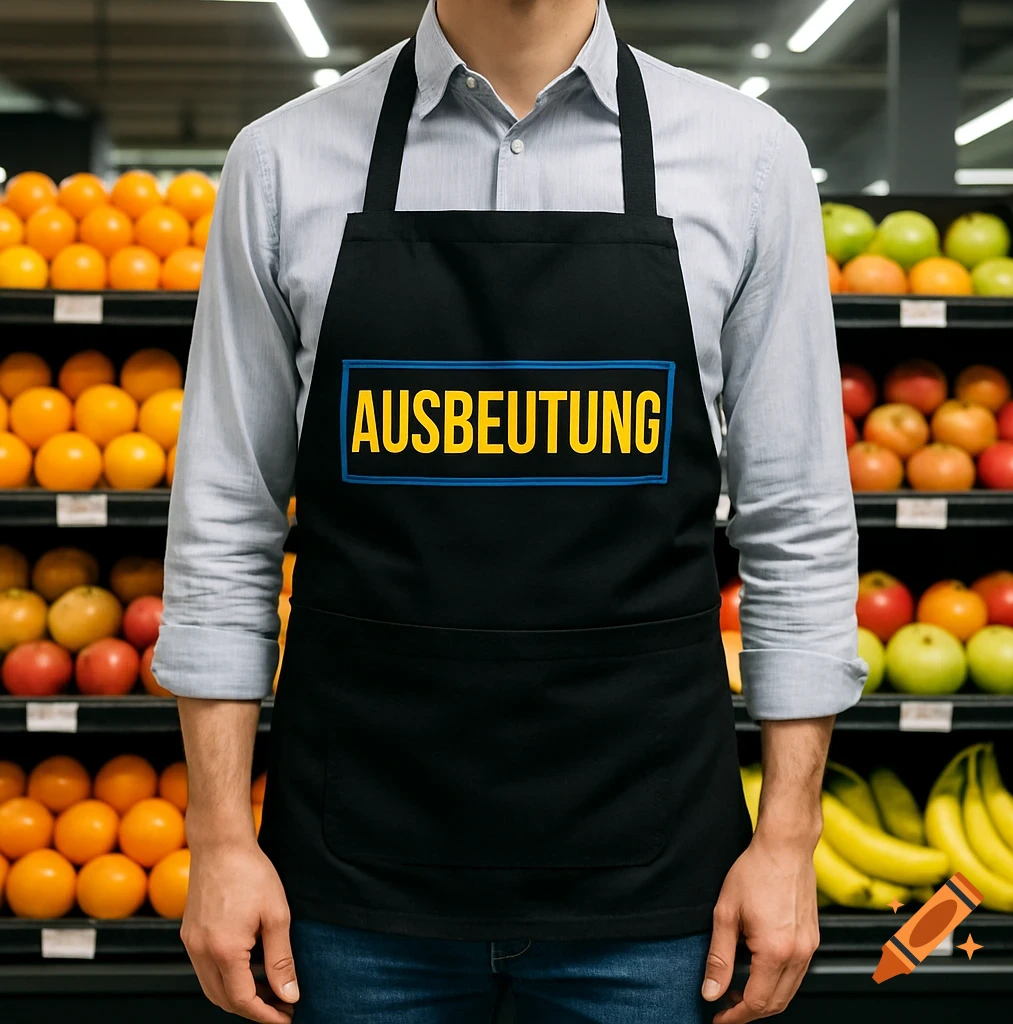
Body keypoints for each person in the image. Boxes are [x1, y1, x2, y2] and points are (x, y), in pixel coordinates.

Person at [153, 1, 866, 1022]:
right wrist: (219, 837)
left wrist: (790, 837)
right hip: (352, 893)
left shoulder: (750, 159)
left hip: (657, 897)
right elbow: (225, 521)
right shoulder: (280, 163)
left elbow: (796, 522)